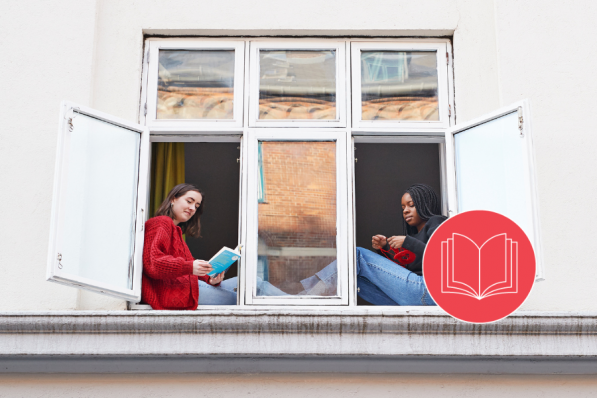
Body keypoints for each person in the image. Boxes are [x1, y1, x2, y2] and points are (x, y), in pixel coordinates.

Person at [355, 183, 446, 305]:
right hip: (414, 297)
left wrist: (407, 241)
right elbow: (401, 271)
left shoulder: (436, 221)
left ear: (425, 204)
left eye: (411, 205)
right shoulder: (414, 237)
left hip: (429, 289)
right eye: (403, 208)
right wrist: (384, 248)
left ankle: (321, 290)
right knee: (357, 280)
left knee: (357, 254)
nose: (406, 211)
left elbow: (442, 255)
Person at [142, 183, 224, 310]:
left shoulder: (176, 231)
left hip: (187, 287)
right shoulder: (160, 222)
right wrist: (190, 266)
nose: (192, 208)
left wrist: (210, 278)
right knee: (241, 297)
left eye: (196, 206)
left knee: (258, 283)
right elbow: (152, 263)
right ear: (173, 199)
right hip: (173, 292)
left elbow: (190, 266)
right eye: (189, 201)